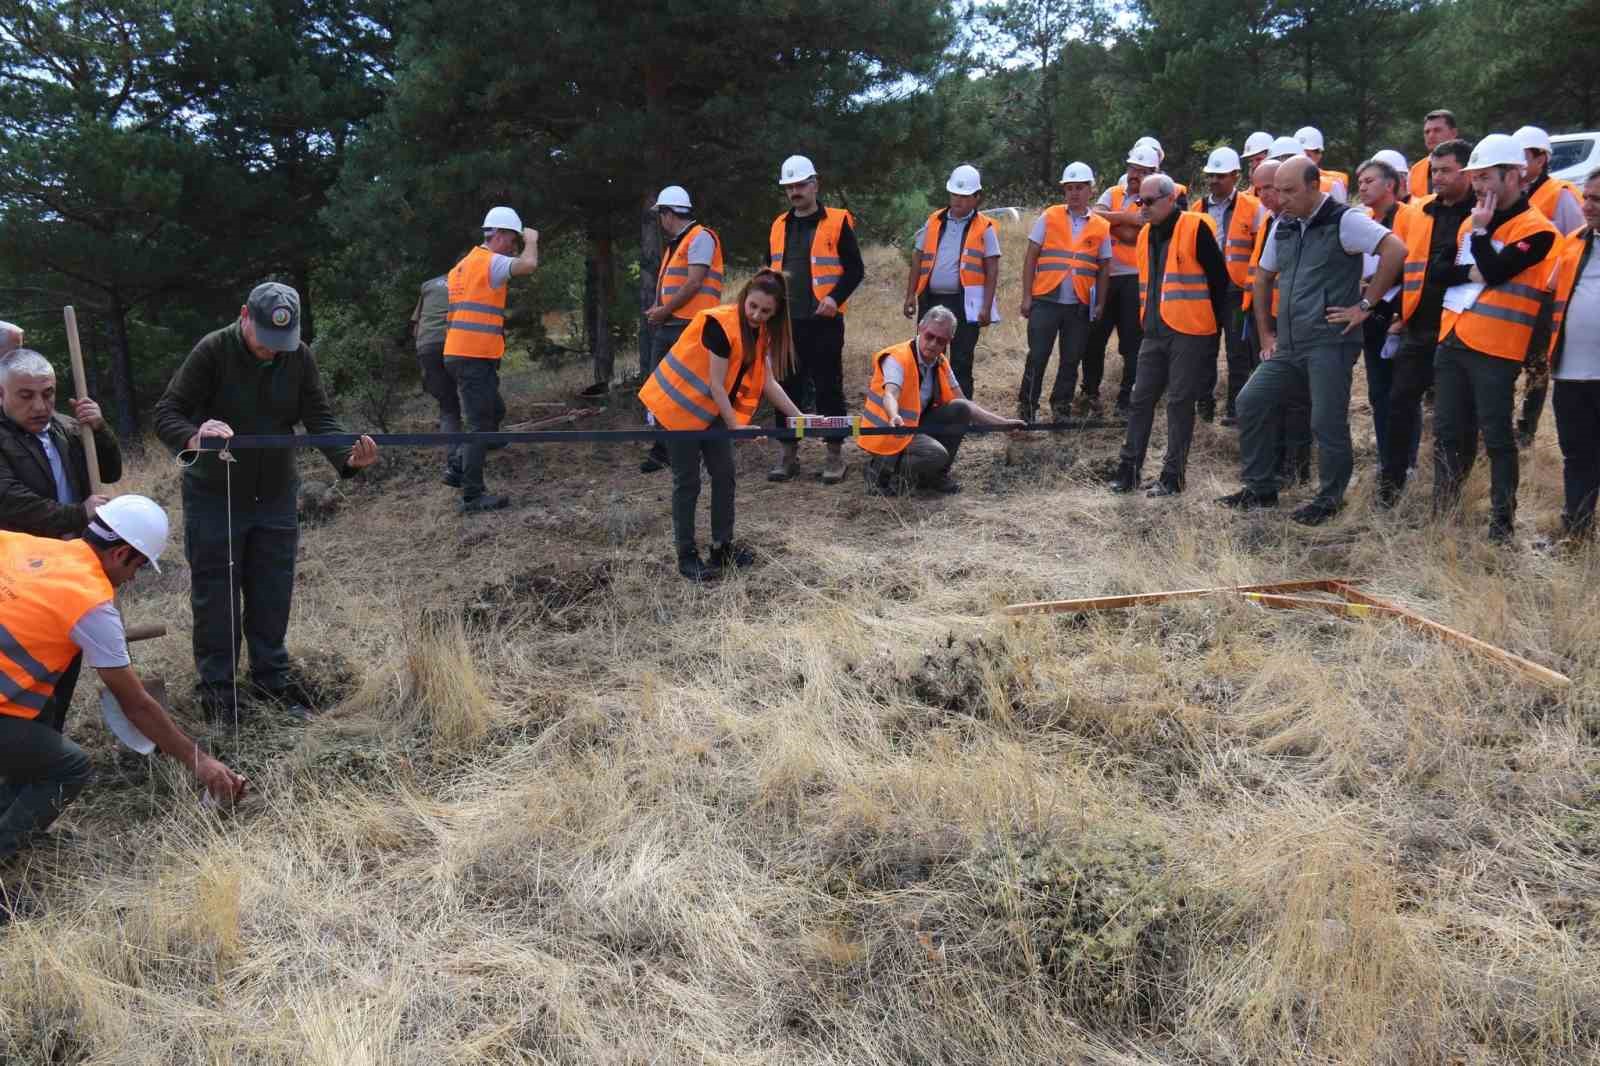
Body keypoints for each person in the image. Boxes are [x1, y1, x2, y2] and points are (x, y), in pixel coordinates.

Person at [0, 495, 246, 905]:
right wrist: (198, 760)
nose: (132, 580)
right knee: (69, 767)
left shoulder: (22, 544)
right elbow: (137, 704)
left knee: (36, 743)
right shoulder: (91, 604)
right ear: (118, 553)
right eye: (135, 567)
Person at [153, 283, 379, 721]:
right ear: (244, 316)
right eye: (265, 340)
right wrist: (193, 436)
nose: (274, 351)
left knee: (272, 591)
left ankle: (272, 682)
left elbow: (319, 417)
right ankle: (219, 696)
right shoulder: (212, 351)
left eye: (283, 343)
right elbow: (167, 412)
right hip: (215, 495)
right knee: (217, 596)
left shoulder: (299, 356)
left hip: (275, 492)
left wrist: (346, 456)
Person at [1219, 156, 1405, 525]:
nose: (1280, 198)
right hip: (1288, 343)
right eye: (1274, 190)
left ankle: (1329, 498)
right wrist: (1267, 333)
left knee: (1326, 419)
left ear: (1313, 186)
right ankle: (1261, 487)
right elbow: (1263, 277)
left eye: (1289, 191)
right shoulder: (1283, 224)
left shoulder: (1345, 219)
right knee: (1250, 401)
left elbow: (1395, 251)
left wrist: (1365, 306)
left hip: (1329, 342)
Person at [638, 270, 809, 582]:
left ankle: (722, 547)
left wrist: (799, 416)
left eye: (766, 311)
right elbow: (716, 384)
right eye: (753, 306)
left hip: (712, 412)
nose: (757, 314)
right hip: (679, 409)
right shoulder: (720, 324)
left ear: (776, 312)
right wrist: (736, 426)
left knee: (725, 474)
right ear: (744, 298)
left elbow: (767, 381)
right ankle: (686, 555)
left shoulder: (762, 333)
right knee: (687, 482)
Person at [1431, 134, 1560, 544]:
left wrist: (1483, 240)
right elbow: (1439, 271)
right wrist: (1477, 266)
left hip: (1497, 348)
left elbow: (1500, 271)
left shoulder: (1537, 230)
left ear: (1513, 176)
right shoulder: (1472, 221)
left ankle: (1501, 525)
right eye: (1476, 178)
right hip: (1452, 338)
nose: (1479, 187)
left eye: (1486, 177)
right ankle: (1444, 514)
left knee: (1498, 438)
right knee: (1449, 431)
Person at [0, 347, 123, 733]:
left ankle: (48, 747)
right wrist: (79, 513)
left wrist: (100, 430)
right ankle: (31, 759)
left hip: (71, 570)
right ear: (1, 394)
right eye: (26, 395)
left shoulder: (68, 428)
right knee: (27, 671)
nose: (40, 405)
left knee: (64, 660)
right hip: (23, 576)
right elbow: (11, 501)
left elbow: (111, 469)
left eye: (48, 393)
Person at [1108, 173, 1229, 496]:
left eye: (1148, 201)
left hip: (1191, 331)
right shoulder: (1146, 234)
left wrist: (1214, 332)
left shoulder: (1195, 227)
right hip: (1154, 330)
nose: (1142, 207)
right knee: (1139, 399)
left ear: (1169, 199)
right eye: (1139, 201)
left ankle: (1172, 478)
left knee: (1178, 403)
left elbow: (1220, 282)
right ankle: (1128, 472)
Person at [1377, 138, 1478, 509]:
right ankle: (1390, 486)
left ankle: (1447, 500)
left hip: (1461, 330)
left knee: (1454, 421)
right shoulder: (1419, 212)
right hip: (1418, 326)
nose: (1437, 177)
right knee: (1400, 404)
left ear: (1466, 172)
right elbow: (1407, 267)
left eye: (1446, 170)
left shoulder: (1482, 214)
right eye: (1434, 170)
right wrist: (1396, 314)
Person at [767, 155, 865, 485]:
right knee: (786, 386)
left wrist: (834, 299)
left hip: (824, 322)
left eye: (800, 185)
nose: (795, 191)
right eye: (789, 187)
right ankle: (788, 454)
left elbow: (855, 270)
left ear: (815, 184)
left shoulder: (838, 221)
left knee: (828, 387)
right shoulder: (779, 225)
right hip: (786, 323)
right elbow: (770, 272)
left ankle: (835, 455)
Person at [859, 306, 1024, 496]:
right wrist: (894, 415)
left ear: (948, 342)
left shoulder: (940, 362)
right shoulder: (897, 358)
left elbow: (965, 404)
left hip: (914, 427)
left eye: (941, 341)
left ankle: (935, 476)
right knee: (936, 454)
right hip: (889, 430)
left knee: (960, 409)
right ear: (920, 328)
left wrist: (1004, 425)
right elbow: (891, 393)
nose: (933, 344)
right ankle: (881, 471)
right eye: (930, 336)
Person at [440, 206, 539, 513]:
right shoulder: (489, 263)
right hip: (472, 355)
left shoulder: (463, 265)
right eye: (512, 238)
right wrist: (532, 239)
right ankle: (472, 495)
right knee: (480, 424)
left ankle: (458, 466)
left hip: (461, 352)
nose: (513, 246)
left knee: (494, 411)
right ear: (498, 234)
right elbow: (529, 264)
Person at [1017, 161, 1111, 422]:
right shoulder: (1050, 216)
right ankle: (1027, 407)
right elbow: (1031, 257)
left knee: (1071, 360)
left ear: (1090, 190)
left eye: (1079, 188)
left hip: (1079, 306)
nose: (1074, 193)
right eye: (1069, 188)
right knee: (1037, 356)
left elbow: (1104, 268)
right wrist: (1027, 297)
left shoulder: (1101, 226)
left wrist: (1100, 303)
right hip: (1045, 300)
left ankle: (1061, 408)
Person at [640, 186, 725, 474]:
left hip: (690, 326)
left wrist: (663, 310)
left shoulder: (700, 238)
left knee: (688, 392)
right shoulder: (677, 243)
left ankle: (686, 450)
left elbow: (693, 283)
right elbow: (670, 283)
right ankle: (664, 448)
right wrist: (657, 307)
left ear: (667, 213)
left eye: (660, 215)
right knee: (660, 389)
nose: (660, 221)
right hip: (670, 325)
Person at [1512, 126, 1585, 444]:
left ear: (1542, 158)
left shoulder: (1561, 195)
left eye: (1523, 158)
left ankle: (1526, 429)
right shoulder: (1515, 195)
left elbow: (1577, 243)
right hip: (1513, 292)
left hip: (1544, 295)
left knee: (1537, 363)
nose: (1516, 165)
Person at [905, 164, 1001, 401]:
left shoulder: (985, 227)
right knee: (926, 355)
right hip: (931, 299)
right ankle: (927, 406)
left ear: (977, 198)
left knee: (961, 358)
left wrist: (986, 307)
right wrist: (910, 295)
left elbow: (992, 268)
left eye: (965, 196)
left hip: (965, 303)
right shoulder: (934, 220)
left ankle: (961, 410)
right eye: (955, 194)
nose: (958, 200)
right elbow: (917, 258)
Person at [1190, 146, 1267, 424]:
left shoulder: (1253, 208)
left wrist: (1252, 286)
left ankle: (1235, 410)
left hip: (1237, 293)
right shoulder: (1197, 209)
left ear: (1235, 176)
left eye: (1220, 176)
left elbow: (1261, 251)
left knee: (1238, 351)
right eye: (1210, 175)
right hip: (1206, 292)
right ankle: (1204, 407)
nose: (1213, 181)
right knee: (1204, 350)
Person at [1544, 169, 1600, 543]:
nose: (1587, 205)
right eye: (1587, 197)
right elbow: (1551, 292)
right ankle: (1576, 532)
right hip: (1571, 372)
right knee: (1577, 455)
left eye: (1597, 199)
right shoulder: (1573, 242)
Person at [1088, 144, 1164, 413]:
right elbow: (1093, 216)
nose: (1135, 175)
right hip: (1105, 277)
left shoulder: (1154, 201)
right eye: (1133, 169)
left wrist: (1115, 222)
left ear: (1153, 174)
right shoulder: (1113, 192)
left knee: (1132, 343)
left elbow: (1137, 233)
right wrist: (1126, 218)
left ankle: (1126, 399)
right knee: (1094, 339)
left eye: (1143, 172)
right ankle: (1089, 394)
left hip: (1136, 279)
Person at [1353, 159, 1415, 469]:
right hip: (1371, 314)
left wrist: (1400, 313)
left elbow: (1415, 267)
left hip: (1399, 314)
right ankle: (1385, 459)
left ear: (1390, 185)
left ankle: (1406, 462)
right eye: (1360, 181)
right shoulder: (1363, 220)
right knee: (1378, 392)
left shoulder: (1411, 217)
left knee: (1401, 393)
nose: (1361, 186)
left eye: (1369, 181)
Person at [410, 272, 470, 487]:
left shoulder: (427, 284)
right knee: (473, 400)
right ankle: (475, 448)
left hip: (427, 346)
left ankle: (454, 462)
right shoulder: (471, 280)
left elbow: (416, 328)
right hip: (456, 343)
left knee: (448, 408)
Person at [1410, 110, 1459, 198]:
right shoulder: (1416, 170)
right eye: (1427, 132)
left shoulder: (1469, 165)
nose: (1431, 135)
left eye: (1437, 130)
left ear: (1453, 133)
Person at [1295, 126, 1349, 201]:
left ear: (1319, 155)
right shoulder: (1284, 181)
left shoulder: (1332, 185)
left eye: (1308, 155)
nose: (1303, 158)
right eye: (1299, 154)